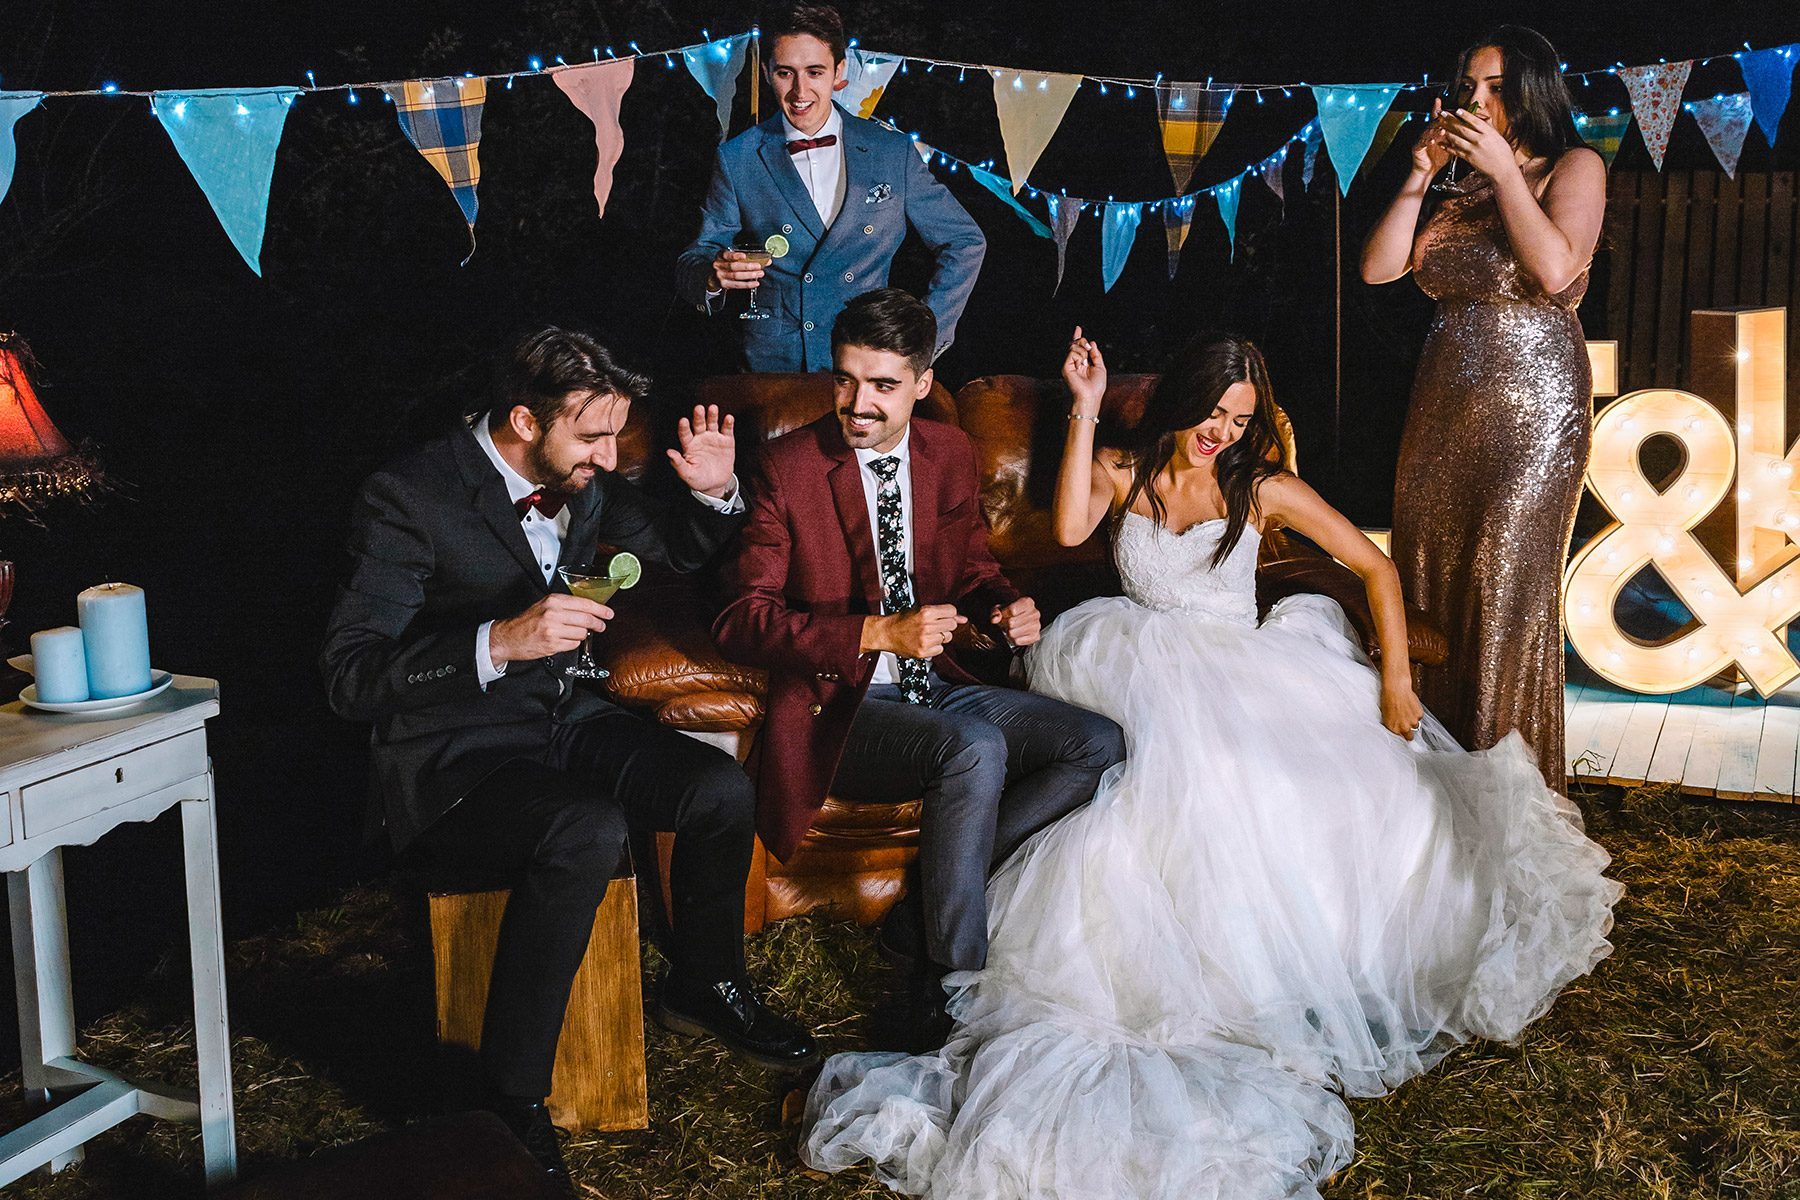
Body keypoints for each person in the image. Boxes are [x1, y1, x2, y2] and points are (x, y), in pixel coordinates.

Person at [800, 329, 1621, 1199]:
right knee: (1150, 781)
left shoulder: (1261, 486)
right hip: (1131, 660)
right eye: (1211, 413)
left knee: (1280, 783)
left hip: (1246, 667)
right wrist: (1083, 408)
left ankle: (1289, 966)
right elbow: (1074, 521)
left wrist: (1397, 683)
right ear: (1181, 402)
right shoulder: (1128, 469)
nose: (1221, 432)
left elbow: (1375, 568)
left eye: (1240, 418)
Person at [320, 328, 816, 1197]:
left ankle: (703, 982)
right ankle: (509, 1099)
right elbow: (350, 676)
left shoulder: (583, 481)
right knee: (585, 830)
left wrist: (715, 494)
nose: (610, 456)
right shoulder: (409, 494)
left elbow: (677, 550)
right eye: (591, 438)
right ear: (522, 419)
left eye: (616, 435)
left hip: (563, 720)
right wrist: (499, 641)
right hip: (453, 755)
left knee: (714, 788)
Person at [712, 289, 1125, 1044]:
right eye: (844, 379)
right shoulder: (786, 467)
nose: (857, 403)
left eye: (882, 385)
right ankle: (945, 985)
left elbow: (972, 566)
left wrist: (1005, 607)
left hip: (938, 691)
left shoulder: (948, 452)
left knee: (1098, 746)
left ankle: (916, 915)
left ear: (923, 382)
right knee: (975, 747)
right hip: (842, 709)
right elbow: (743, 620)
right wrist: (874, 632)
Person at [1360, 26, 1606, 792]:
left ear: (1534, 89)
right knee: (1428, 582)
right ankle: (1428, 785)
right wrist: (1418, 176)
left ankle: (1508, 798)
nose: (1475, 99)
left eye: (1495, 86)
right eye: (1469, 84)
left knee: (1500, 591)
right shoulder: (1457, 186)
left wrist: (1504, 174)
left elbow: (1556, 270)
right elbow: (1377, 271)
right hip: (1443, 406)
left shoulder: (1575, 165)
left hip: (1533, 411)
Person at [675, 3, 985, 373]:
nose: (799, 91)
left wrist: (921, 340)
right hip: (775, 369)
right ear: (766, 72)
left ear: (840, 72)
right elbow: (694, 259)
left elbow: (965, 242)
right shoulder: (737, 157)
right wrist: (713, 274)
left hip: (867, 364)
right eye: (785, 73)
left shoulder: (892, 153)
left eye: (815, 72)